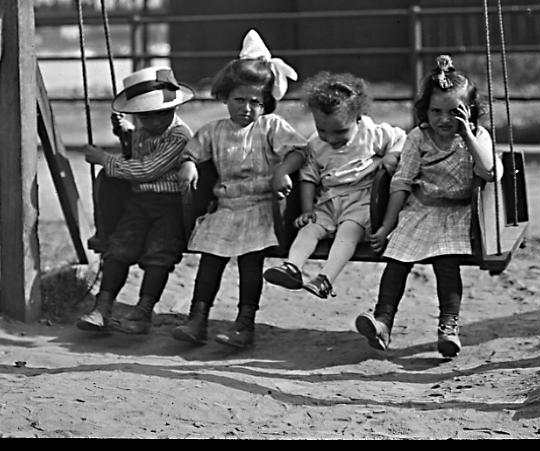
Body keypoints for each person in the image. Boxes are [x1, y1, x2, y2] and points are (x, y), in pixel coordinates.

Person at [353, 54, 501, 359]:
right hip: (419, 211)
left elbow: (489, 171)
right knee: (396, 263)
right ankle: (382, 322)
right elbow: (401, 183)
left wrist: (468, 135)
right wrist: (386, 226)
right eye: (436, 111)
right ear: (425, 110)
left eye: (454, 112)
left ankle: (449, 327)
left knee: (446, 266)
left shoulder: (478, 136)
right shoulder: (418, 137)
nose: (444, 119)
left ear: (470, 112)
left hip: (457, 214)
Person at [171, 30, 308, 350]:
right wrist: (189, 163)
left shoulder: (270, 127)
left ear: (267, 103)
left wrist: (282, 170)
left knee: (250, 262)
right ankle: (197, 318)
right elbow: (193, 150)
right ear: (224, 97)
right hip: (227, 206)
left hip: (262, 206)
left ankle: (244, 323)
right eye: (239, 100)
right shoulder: (215, 130)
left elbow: (300, 151)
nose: (247, 108)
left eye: (256, 102)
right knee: (211, 259)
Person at [263, 72, 405, 299]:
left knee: (347, 232)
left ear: (358, 118)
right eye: (323, 130)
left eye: (340, 131)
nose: (330, 138)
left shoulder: (371, 133)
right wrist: (308, 210)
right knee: (308, 230)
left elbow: (401, 137)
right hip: (328, 202)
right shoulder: (316, 143)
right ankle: (292, 267)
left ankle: (325, 278)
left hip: (361, 201)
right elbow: (309, 177)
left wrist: (392, 155)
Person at [76, 65, 196, 335]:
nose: (154, 123)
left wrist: (103, 160)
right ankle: (103, 307)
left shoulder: (179, 135)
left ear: (175, 108)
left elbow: (146, 169)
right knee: (119, 249)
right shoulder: (142, 128)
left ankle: (143, 311)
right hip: (139, 202)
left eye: (162, 114)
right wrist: (125, 132)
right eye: (145, 117)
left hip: (170, 205)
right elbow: (136, 148)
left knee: (159, 255)